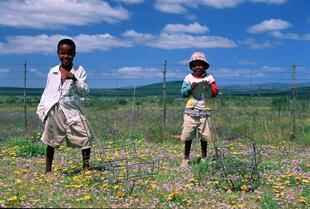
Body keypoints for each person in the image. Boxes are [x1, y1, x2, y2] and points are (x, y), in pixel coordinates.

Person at [37, 38, 94, 173]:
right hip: (54, 108)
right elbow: (47, 92)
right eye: (62, 53)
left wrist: (75, 79)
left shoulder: (79, 70)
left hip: (72, 108)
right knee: (51, 139)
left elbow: (85, 91)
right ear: (58, 53)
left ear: (74, 54)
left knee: (85, 135)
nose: (65, 56)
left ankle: (86, 167)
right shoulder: (53, 71)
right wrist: (41, 109)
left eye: (69, 53)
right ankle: (48, 170)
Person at [180, 52, 218, 168]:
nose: (197, 67)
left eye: (200, 64)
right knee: (188, 136)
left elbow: (215, 93)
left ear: (204, 66)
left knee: (204, 136)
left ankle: (204, 158)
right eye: (195, 64)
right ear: (191, 66)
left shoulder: (209, 77)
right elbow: (183, 93)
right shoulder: (188, 78)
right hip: (190, 111)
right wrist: (191, 87)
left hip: (204, 111)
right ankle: (186, 159)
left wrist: (209, 87)